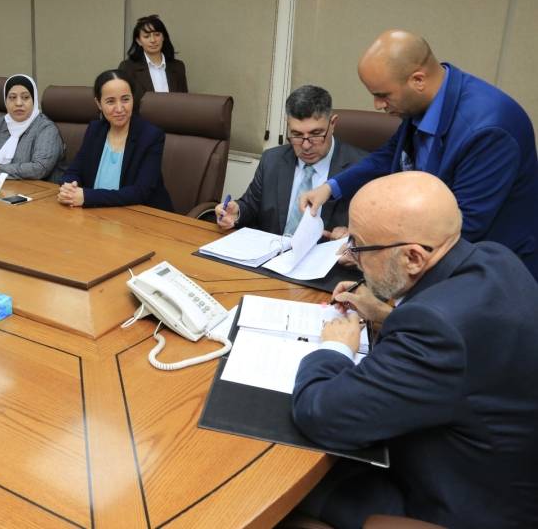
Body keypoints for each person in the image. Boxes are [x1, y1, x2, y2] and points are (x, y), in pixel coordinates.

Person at [292, 172, 538, 529]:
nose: (351, 257)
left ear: (412, 258)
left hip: (454, 503)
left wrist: (336, 347)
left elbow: (320, 415)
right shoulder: (495, 257)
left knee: (282, 484)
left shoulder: (437, 330)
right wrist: (387, 314)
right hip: (502, 473)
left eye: (358, 246)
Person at [299, 30, 538, 280]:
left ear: (418, 80)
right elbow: (391, 155)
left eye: (382, 95)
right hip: (434, 253)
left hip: (488, 272)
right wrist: (330, 188)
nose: (377, 105)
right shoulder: (423, 101)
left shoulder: (489, 130)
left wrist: (375, 255)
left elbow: (462, 227)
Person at [214, 85, 366, 235]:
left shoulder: (361, 169)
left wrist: (352, 237)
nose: (306, 146)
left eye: (316, 134)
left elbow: (370, 231)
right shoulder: (272, 160)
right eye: (297, 135)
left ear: (333, 124)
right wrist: (237, 212)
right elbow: (250, 206)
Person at [59, 70, 173, 210]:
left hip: (141, 215)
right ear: (99, 103)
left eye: (125, 99)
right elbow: (73, 171)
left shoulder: (151, 136)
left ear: (133, 99)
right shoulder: (95, 130)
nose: (119, 109)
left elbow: (140, 192)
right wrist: (69, 188)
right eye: (110, 101)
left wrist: (87, 197)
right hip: (95, 214)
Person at [0, 74, 65, 182]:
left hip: (38, 188)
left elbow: (39, 168)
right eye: (12, 98)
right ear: (5, 101)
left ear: (34, 100)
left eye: (25, 97)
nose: (18, 103)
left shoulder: (46, 128)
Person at [117, 15, 188, 103]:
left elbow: (184, 101)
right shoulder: (128, 67)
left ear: (163, 37)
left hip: (173, 112)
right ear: (139, 41)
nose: (153, 40)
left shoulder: (178, 66)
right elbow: (122, 101)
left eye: (157, 35)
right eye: (146, 36)